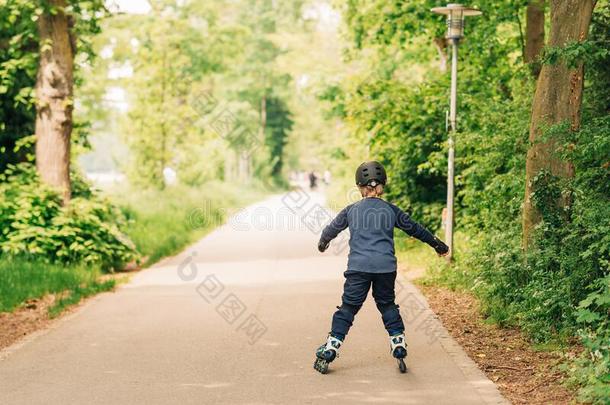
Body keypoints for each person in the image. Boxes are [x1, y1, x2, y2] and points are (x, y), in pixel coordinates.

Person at [313, 161, 449, 374]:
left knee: (348, 308)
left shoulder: (350, 210)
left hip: (358, 268)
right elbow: (415, 229)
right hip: (386, 268)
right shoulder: (391, 210)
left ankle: (332, 346)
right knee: (387, 305)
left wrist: (323, 243)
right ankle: (398, 343)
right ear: (382, 185)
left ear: (359, 186)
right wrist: (438, 245)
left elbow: (330, 230)